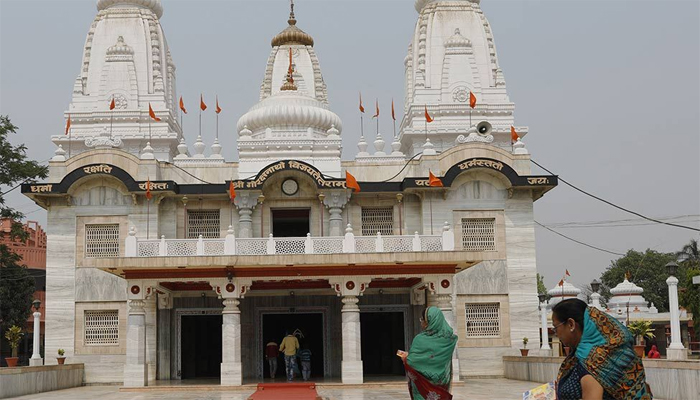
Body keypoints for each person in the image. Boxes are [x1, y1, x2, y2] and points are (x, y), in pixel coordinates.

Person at [552, 298, 652, 400]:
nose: (556, 333)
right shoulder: (597, 357)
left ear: (571, 324)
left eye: (555, 327)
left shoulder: (591, 363)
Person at [398, 306, 457, 400]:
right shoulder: (450, 340)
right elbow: (431, 358)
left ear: (429, 321)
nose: (421, 322)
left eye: (422, 319)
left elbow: (412, 362)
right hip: (441, 384)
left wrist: (405, 357)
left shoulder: (420, 339)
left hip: (423, 387)